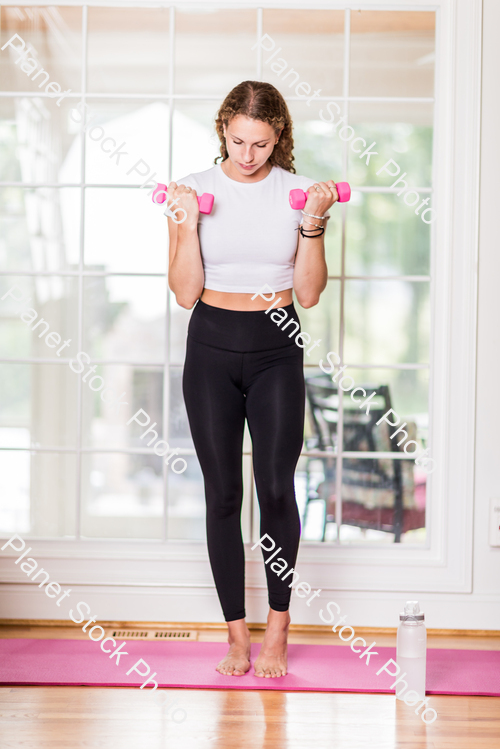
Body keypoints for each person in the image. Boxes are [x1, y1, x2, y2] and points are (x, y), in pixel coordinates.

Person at [166, 80, 338, 678]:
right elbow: (186, 291)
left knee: (274, 489)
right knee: (222, 495)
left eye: (260, 144)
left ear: (277, 138)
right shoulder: (194, 190)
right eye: (237, 141)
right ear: (223, 131)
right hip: (211, 345)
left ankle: (277, 632)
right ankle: (236, 636)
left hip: (276, 347)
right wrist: (186, 226)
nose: (247, 155)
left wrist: (313, 224)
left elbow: (310, 294)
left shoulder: (298, 194)